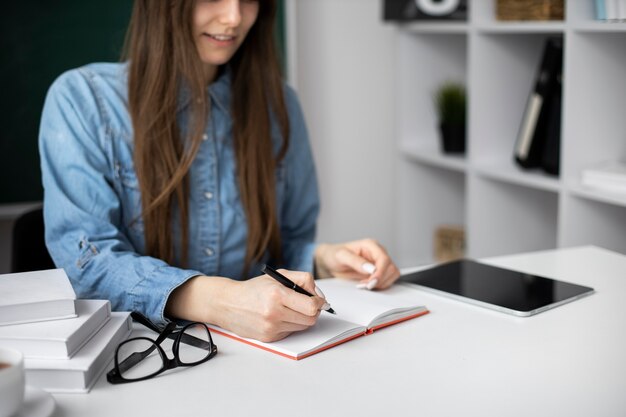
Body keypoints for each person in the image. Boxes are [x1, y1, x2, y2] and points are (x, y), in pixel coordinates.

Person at [39, 0, 400, 343]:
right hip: (137, 357)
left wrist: (323, 258)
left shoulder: (280, 106)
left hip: (259, 360)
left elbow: (279, 250)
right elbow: (87, 261)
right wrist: (221, 301)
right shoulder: (83, 102)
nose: (233, 18)